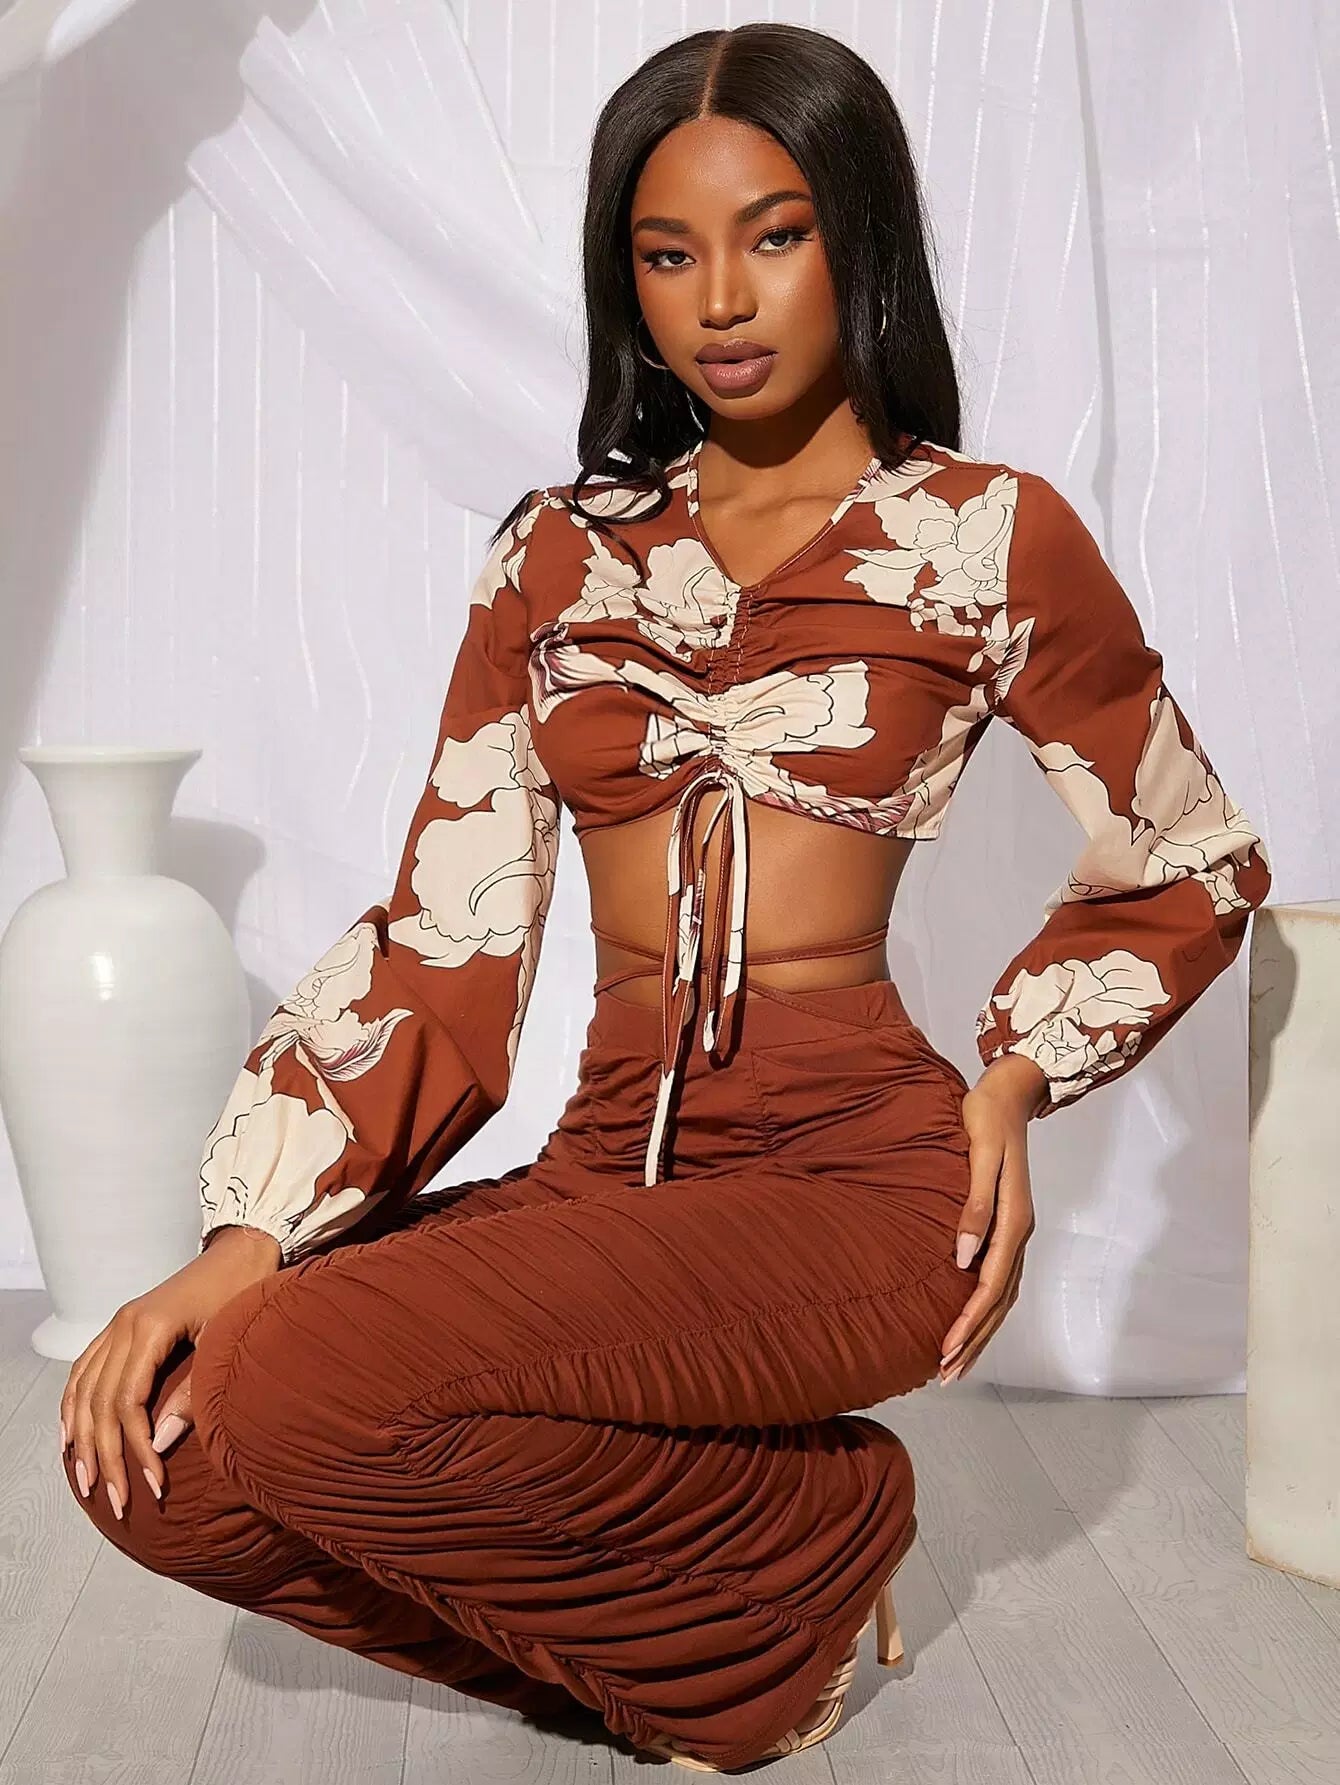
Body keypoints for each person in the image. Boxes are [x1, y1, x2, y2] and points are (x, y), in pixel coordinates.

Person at [57, 21, 1272, 1774]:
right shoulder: (554, 556)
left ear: (857, 236)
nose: (723, 297)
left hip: (860, 1180)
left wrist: (1015, 1076)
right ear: (624, 282)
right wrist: (249, 1238)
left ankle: (793, 1560)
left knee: (292, 1384)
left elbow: (1191, 851)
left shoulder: (986, 534)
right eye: (668, 252)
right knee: (159, 1453)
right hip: (610, 1166)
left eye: (774, 234)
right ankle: (780, 1577)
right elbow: (449, 935)